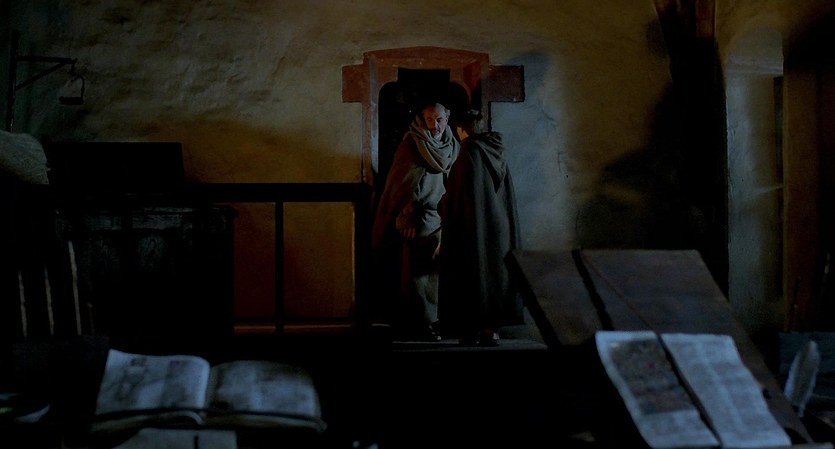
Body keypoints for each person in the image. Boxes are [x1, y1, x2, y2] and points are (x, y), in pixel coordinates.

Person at [371, 101, 460, 342]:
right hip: (419, 216)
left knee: (437, 271)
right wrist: (405, 215)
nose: (435, 125)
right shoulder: (413, 143)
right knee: (417, 274)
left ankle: (435, 321)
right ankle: (421, 323)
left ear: (447, 118)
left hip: (441, 216)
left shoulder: (451, 144)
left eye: (439, 119)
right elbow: (403, 183)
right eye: (430, 119)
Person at [439, 108, 523, 346]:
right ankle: (491, 330)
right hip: (498, 229)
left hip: (473, 227)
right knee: (494, 276)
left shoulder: (469, 152)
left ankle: (472, 330)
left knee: (473, 273)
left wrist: (441, 206)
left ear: (461, 130)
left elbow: (458, 195)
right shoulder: (496, 151)